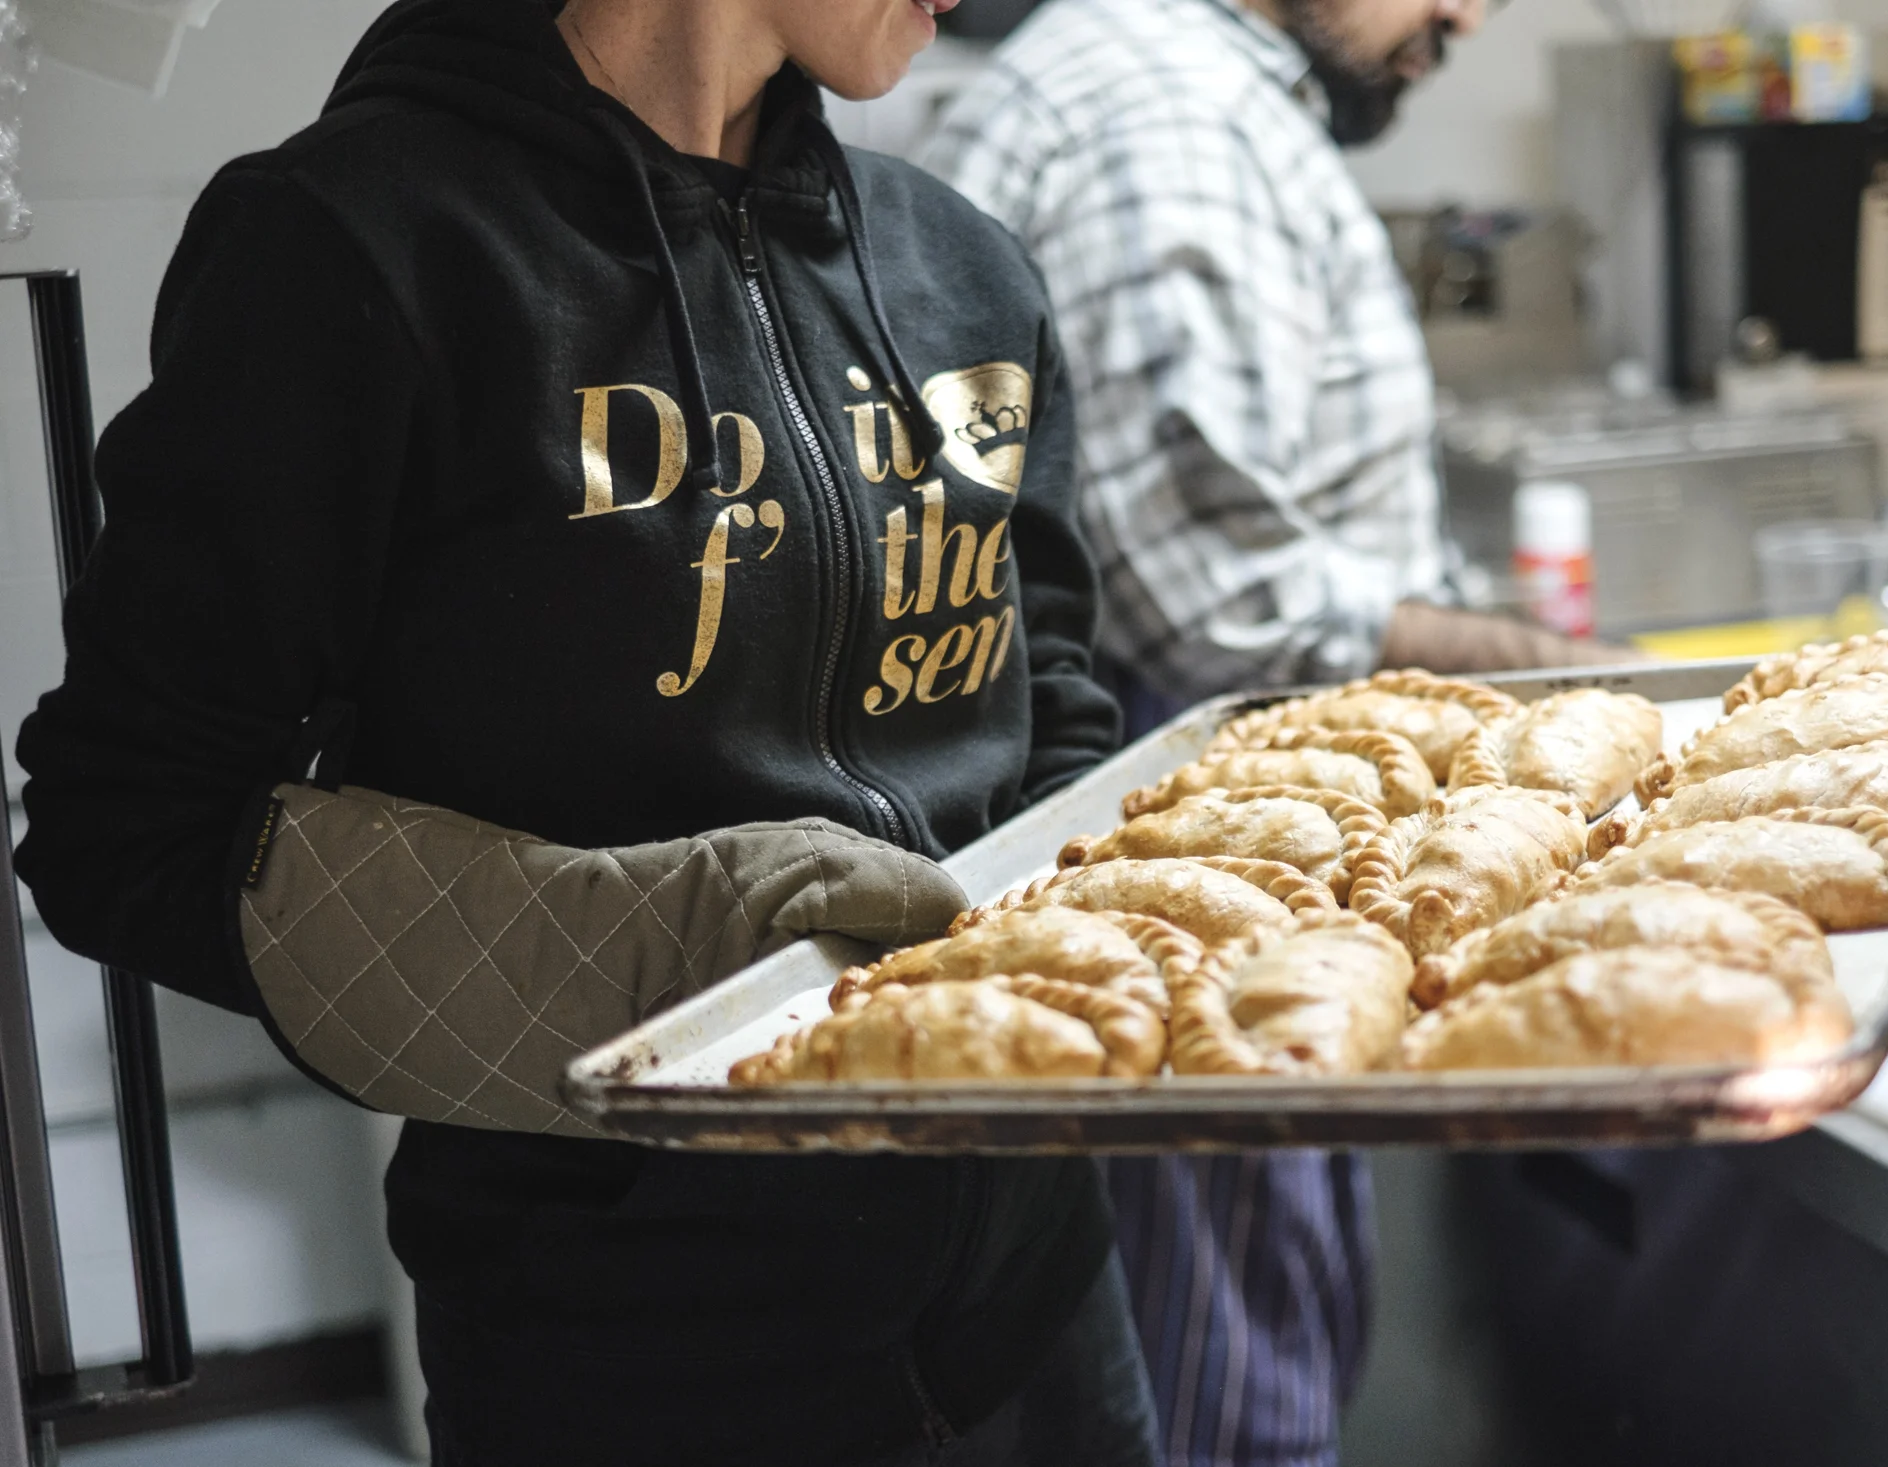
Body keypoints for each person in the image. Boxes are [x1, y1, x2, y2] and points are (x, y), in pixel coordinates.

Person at [15, 1, 1159, 1463]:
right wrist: (647, 942)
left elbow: (1047, 702)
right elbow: (126, 821)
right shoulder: (358, 243)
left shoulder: (960, 264)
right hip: (638, 1346)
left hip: (1038, 1293)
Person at [923, 2, 1617, 1462]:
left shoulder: (1181, 93)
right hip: (1195, 833)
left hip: (1214, 821)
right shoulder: (1166, 121)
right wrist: (1538, 669)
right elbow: (1211, 594)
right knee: (1216, 1396)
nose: (1464, 16)